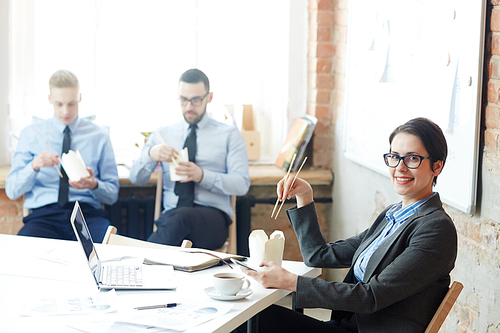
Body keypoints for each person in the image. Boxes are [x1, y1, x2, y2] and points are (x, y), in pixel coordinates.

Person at [239, 118, 457, 333]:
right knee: (250, 318)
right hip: (346, 325)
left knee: (253, 321)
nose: (400, 168)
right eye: (394, 157)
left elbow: (370, 296)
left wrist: (290, 281)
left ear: (436, 167)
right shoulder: (392, 215)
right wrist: (305, 196)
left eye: (412, 159)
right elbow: (318, 255)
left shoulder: (436, 229)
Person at [129, 68, 250, 250]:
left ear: (209, 98)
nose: (188, 107)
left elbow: (241, 185)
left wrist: (202, 175)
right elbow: (135, 178)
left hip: (212, 220)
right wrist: (150, 154)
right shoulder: (163, 134)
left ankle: (141, 260)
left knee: (181, 218)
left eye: (195, 100)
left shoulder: (229, 135)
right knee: (177, 219)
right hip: (172, 218)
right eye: (183, 100)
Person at [6, 70, 119, 243]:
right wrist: (34, 166)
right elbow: (12, 191)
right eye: (59, 104)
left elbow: (112, 195)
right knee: (23, 254)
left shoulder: (99, 136)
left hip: (87, 215)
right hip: (44, 216)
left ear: (80, 98)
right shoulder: (31, 134)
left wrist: (94, 185)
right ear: (49, 99)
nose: (65, 111)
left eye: (71, 104)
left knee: (110, 250)